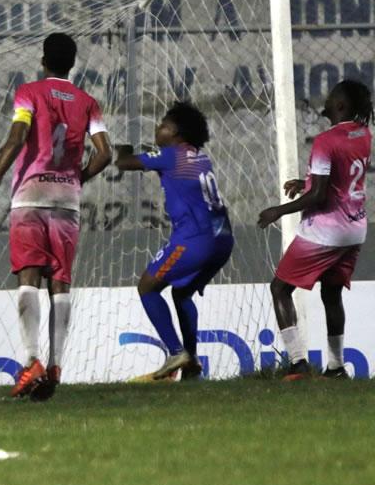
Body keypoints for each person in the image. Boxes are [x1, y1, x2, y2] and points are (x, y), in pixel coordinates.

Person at [0, 33, 112, 401]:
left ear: (43, 59)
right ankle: (56, 365)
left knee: (29, 277)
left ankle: (32, 361)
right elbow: (105, 154)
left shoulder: (29, 93)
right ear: (72, 64)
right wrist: (76, 177)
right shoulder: (88, 102)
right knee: (61, 283)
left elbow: (17, 138)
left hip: (31, 195)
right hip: (66, 200)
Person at [259, 79, 372, 380]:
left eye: (333, 93)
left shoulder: (326, 140)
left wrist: (277, 211)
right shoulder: (363, 134)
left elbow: (321, 195)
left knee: (280, 288)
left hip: (326, 231)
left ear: (340, 105)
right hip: (355, 228)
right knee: (332, 294)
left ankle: (297, 363)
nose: (327, 95)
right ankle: (336, 367)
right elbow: (339, 179)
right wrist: (306, 183)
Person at [116, 102, 234, 382]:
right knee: (181, 295)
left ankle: (176, 351)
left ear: (177, 134)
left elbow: (124, 163)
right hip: (223, 240)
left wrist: (120, 148)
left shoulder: (171, 156)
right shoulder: (199, 157)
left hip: (195, 239)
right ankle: (191, 364)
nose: (159, 128)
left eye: (164, 125)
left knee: (147, 286)